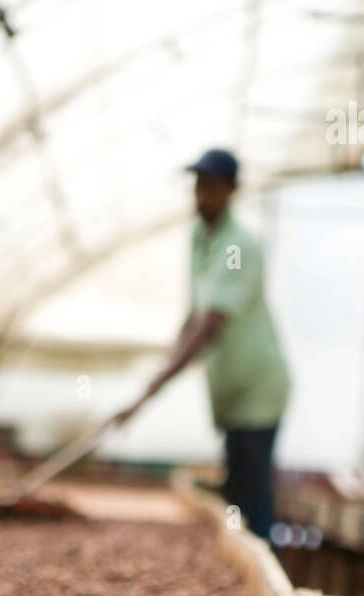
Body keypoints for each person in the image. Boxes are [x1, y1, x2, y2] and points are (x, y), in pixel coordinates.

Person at [111, 148, 290, 541]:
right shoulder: (199, 239)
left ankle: (272, 583)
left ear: (232, 190)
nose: (202, 194)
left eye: (211, 187)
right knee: (236, 493)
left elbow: (209, 322)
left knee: (251, 497)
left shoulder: (238, 247)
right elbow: (192, 317)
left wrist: (153, 388)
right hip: (230, 390)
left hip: (256, 387)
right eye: (198, 185)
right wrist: (155, 378)